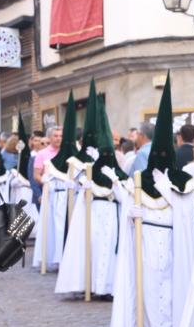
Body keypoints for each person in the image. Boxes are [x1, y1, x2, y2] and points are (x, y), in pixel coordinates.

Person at [107, 74, 194, 327]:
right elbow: (128, 202)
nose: (159, 157)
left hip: (172, 242)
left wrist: (167, 189)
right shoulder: (138, 180)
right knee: (147, 288)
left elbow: (185, 213)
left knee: (171, 290)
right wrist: (131, 211)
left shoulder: (182, 181)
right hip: (146, 241)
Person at [56, 92, 127, 300]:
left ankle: (107, 287)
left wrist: (115, 182)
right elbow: (75, 185)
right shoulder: (88, 172)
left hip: (111, 214)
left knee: (108, 250)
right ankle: (90, 284)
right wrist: (84, 186)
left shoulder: (119, 174)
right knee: (92, 248)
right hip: (93, 213)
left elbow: (125, 195)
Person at [32, 93, 80, 273]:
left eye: (61, 135)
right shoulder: (43, 154)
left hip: (69, 195)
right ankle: (51, 257)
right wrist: (45, 183)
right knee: (52, 229)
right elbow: (37, 175)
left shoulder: (72, 151)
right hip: (52, 195)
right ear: (50, 137)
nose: (59, 138)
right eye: (56, 135)